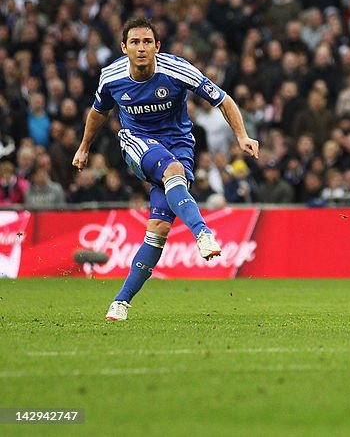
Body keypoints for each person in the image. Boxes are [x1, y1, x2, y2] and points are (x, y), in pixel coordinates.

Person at [74, 17, 259, 321]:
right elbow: (98, 113)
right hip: (136, 142)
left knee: (158, 229)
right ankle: (202, 232)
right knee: (171, 170)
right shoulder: (111, 77)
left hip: (179, 144)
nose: (141, 48)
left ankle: (120, 302)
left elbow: (223, 99)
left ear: (157, 46)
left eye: (147, 42)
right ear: (124, 47)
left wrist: (241, 136)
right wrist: (84, 147)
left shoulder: (177, 70)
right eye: (134, 42)